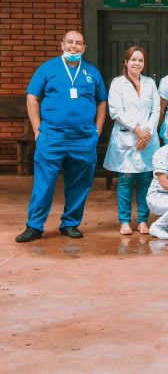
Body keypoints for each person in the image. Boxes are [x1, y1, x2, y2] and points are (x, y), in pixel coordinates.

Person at [16, 30, 108, 243]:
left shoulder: (92, 73)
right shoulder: (48, 69)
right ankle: (34, 226)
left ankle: (70, 224)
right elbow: (32, 98)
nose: (74, 46)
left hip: (83, 139)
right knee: (44, 184)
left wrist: (97, 131)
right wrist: (38, 130)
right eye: (70, 42)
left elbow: (102, 102)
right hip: (52, 138)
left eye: (78, 43)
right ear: (62, 44)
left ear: (84, 48)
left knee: (79, 183)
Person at [104, 46, 161, 236]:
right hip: (127, 137)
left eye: (141, 60)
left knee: (145, 179)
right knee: (126, 180)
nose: (137, 63)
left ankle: (143, 220)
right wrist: (137, 130)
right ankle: (125, 220)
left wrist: (148, 133)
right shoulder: (117, 83)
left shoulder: (150, 83)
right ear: (126, 62)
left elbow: (156, 110)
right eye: (133, 60)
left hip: (147, 138)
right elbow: (115, 111)